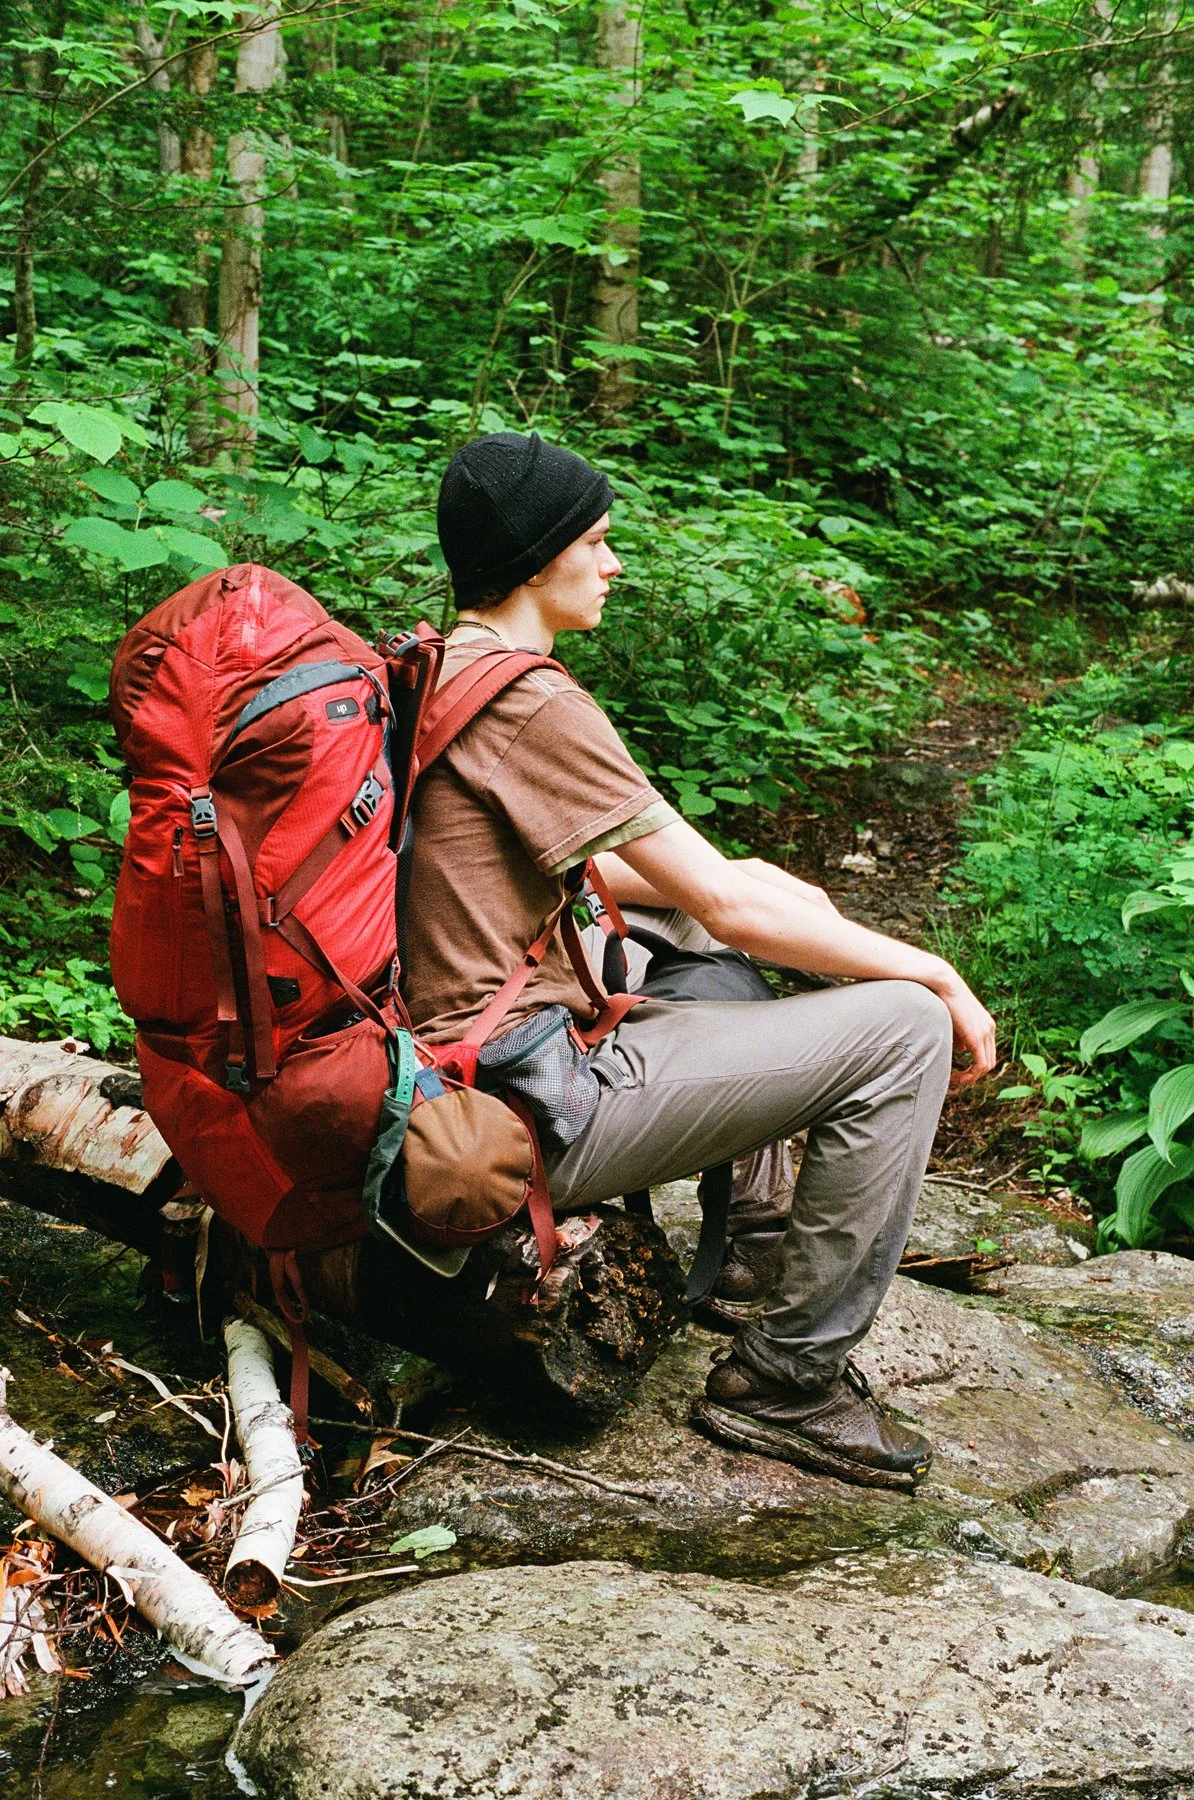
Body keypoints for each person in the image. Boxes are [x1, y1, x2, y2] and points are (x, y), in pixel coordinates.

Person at [403, 430, 996, 1491]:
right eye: (597, 541)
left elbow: (663, 884)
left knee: (707, 926)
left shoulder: (438, 672)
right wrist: (933, 972)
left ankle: (764, 1237)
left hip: (443, 1068)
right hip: (511, 1115)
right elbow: (723, 899)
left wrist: (759, 883)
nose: (614, 563)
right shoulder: (531, 701)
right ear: (539, 562)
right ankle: (789, 1381)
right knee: (901, 1028)